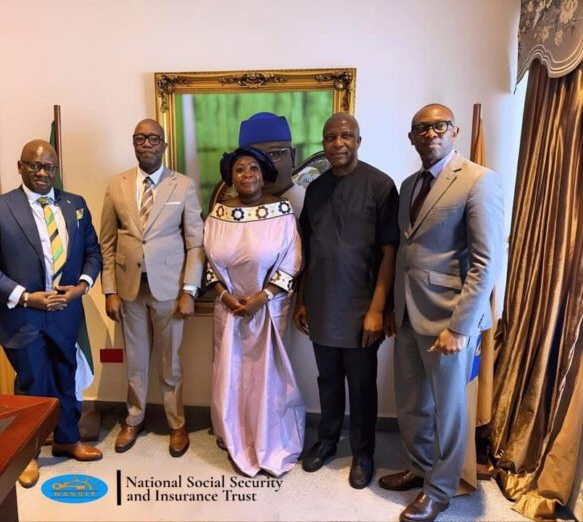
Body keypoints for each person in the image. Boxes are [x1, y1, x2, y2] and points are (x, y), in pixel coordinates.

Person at [379, 104, 504, 522]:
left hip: (450, 319)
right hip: (408, 313)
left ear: (455, 131)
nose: (430, 133)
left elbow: (486, 262)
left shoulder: (479, 180)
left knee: (448, 410)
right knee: (411, 402)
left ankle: (440, 489)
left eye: (439, 126)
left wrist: (461, 328)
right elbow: (407, 251)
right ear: (411, 137)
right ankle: (419, 468)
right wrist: (394, 308)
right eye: (421, 128)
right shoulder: (409, 184)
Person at [0, 139, 103, 488]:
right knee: (32, 385)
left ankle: (68, 439)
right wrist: (26, 297)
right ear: (21, 166)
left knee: (66, 378)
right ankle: (27, 454)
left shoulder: (75, 204)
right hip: (23, 317)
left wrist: (81, 286)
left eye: (49, 167)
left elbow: (93, 252)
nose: (42, 173)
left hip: (65, 313)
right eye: (35, 165)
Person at [294, 113, 399, 489]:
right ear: (323, 144)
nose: (338, 143)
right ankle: (326, 441)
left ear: (358, 141)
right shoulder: (315, 189)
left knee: (362, 384)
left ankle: (363, 452)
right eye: (330, 137)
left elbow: (390, 252)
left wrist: (378, 309)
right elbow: (308, 251)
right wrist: (302, 300)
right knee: (328, 380)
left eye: (346, 136)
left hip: (361, 307)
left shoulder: (380, 185)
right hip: (322, 303)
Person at [100, 118, 204, 457]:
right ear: (134, 143)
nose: (147, 144)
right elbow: (107, 243)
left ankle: (177, 424)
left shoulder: (183, 186)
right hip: (129, 289)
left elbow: (195, 243)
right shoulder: (116, 184)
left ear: (163, 145)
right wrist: (109, 290)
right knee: (135, 360)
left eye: (153, 139)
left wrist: (189, 290)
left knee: (170, 362)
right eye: (140, 138)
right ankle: (134, 419)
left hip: (169, 291)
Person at [205, 146, 304, 477]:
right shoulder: (218, 214)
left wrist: (263, 296)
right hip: (229, 308)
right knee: (231, 373)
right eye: (239, 170)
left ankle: (266, 439)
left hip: (269, 309)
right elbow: (209, 261)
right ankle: (233, 432)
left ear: (264, 175)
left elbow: (293, 259)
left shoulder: (282, 211)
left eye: (253, 169)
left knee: (267, 377)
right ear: (230, 178)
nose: (246, 174)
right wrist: (224, 295)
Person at [238, 112, 306, 216]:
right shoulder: (231, 211)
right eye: (254, 157)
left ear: (292, 157)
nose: (265, 167)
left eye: (274, 154)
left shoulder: (312, 205)